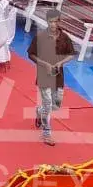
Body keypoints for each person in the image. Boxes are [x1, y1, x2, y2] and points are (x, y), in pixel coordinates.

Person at [27, 9, 74, 146]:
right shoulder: (40, 37)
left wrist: (60, 62)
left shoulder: (64, 37)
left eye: (55, 21)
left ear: (59, 22)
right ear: (47, 22)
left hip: (59, 76)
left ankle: (39, 111)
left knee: (56, 105)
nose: (53, 24)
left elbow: (71, 54)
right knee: (48, 103)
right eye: (50, 22)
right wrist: (44, 64)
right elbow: (31, 54)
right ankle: (47, 133)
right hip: (44, 75)